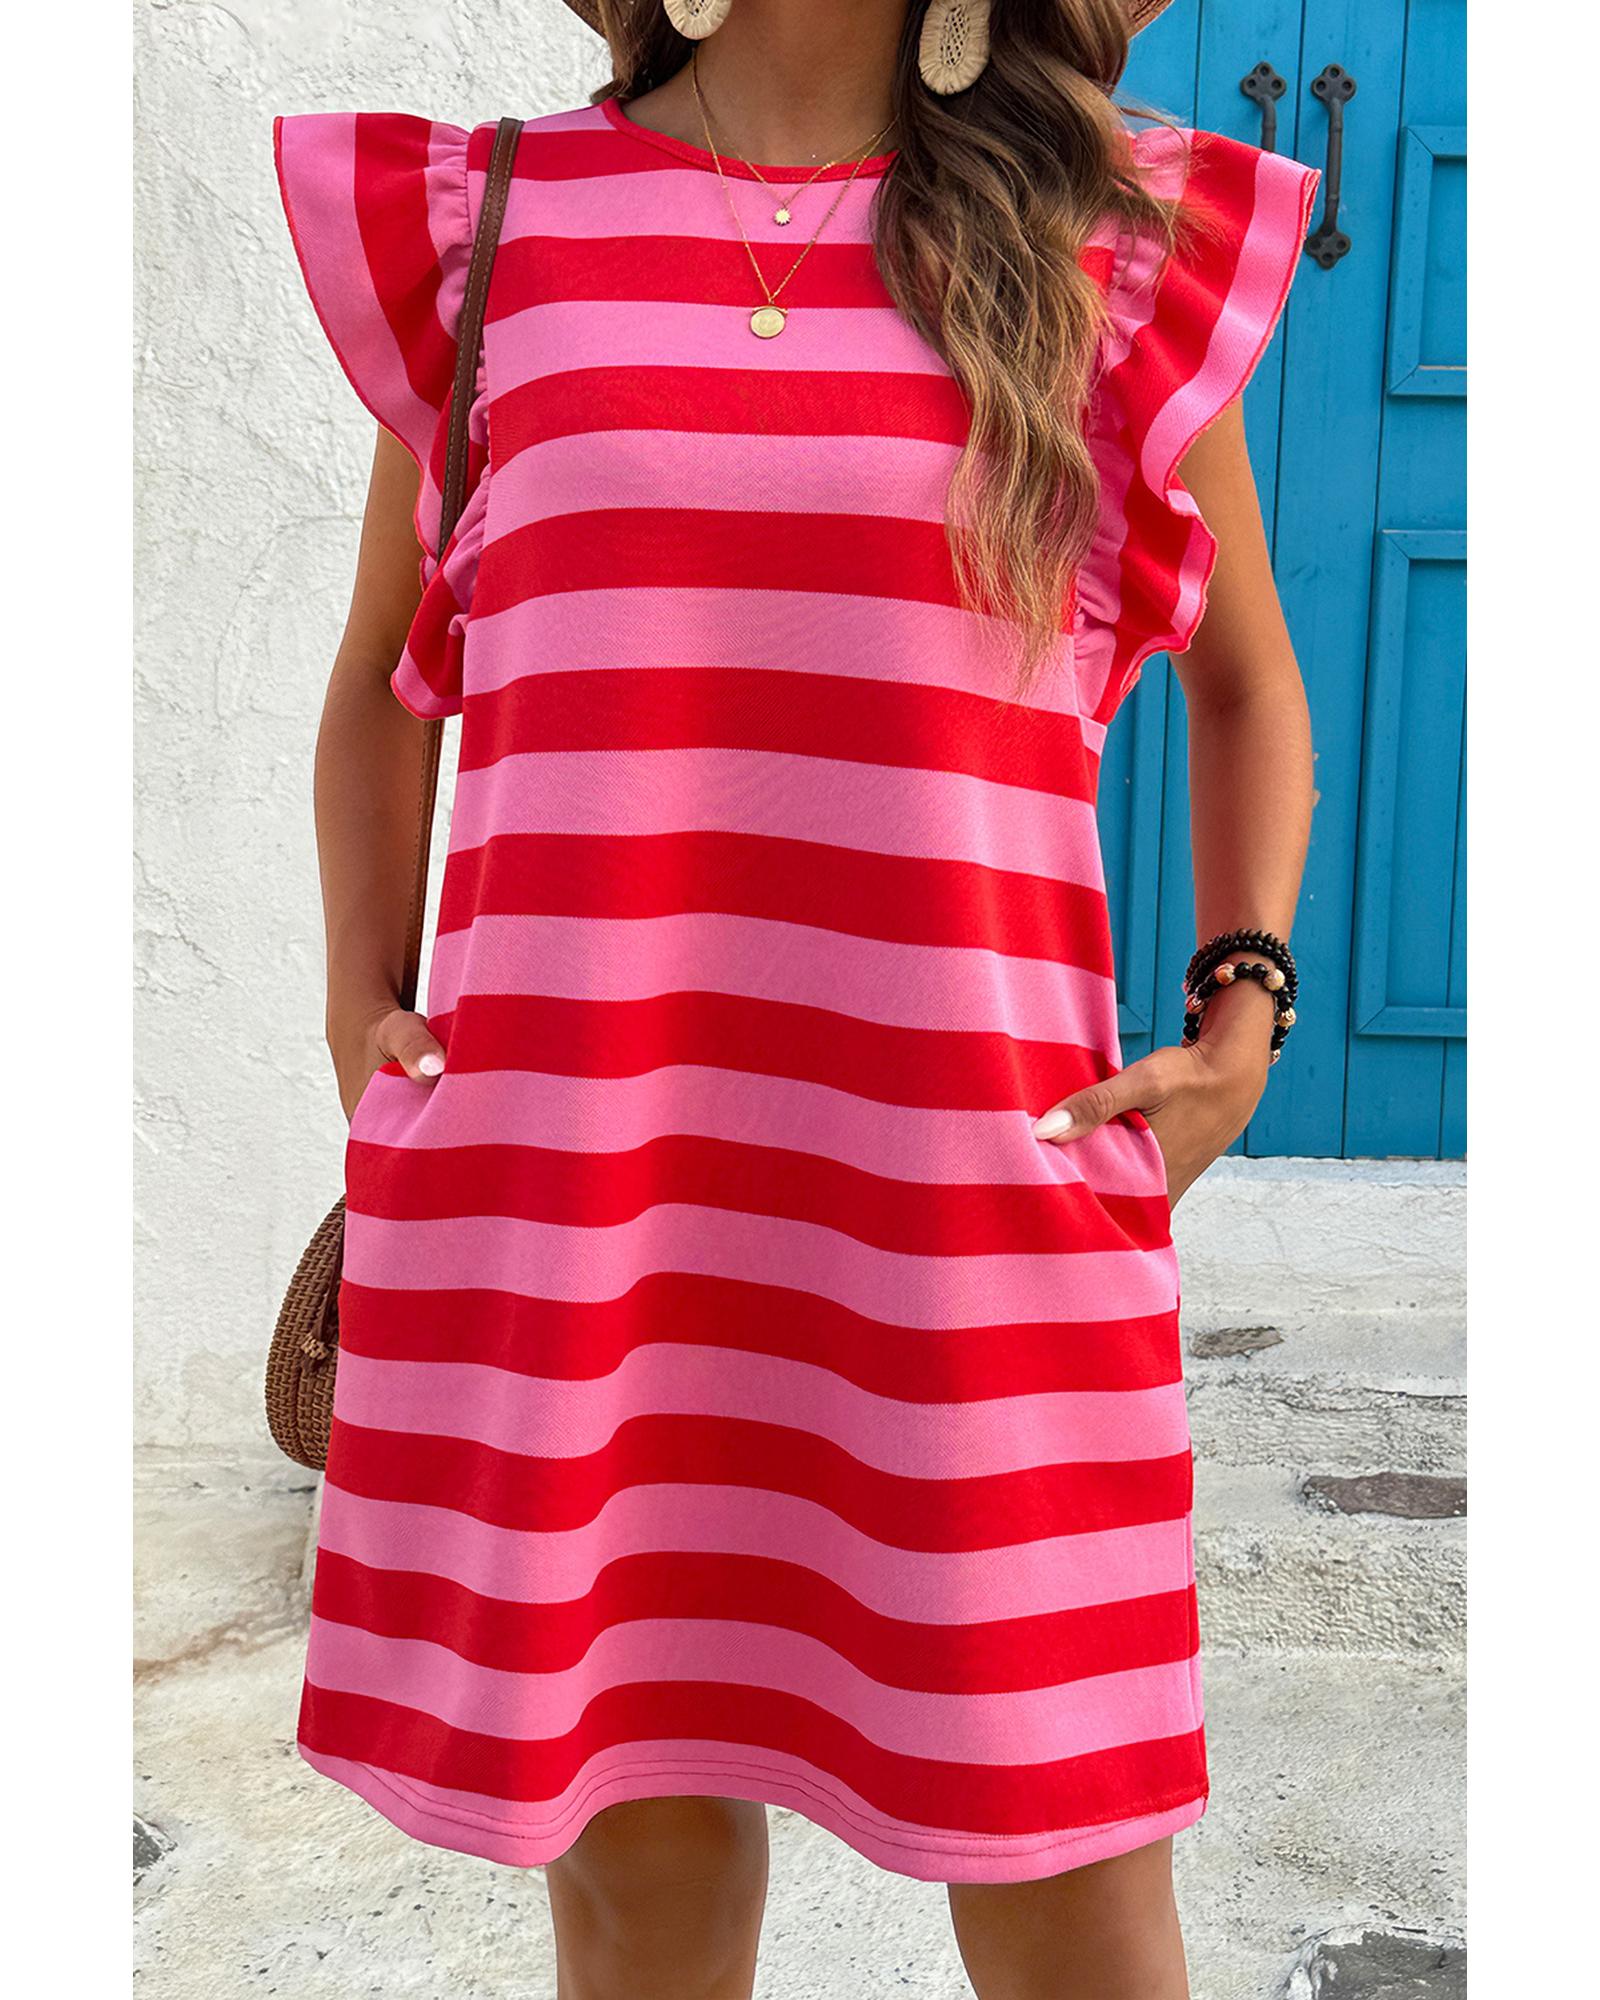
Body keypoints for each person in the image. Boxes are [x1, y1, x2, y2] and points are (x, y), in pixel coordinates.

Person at [272, 1, 1318, 1992]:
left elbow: (1249, 680)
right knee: (633, 1866)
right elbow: (382, 681)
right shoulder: (495, 224)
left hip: (962, 1193)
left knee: (1070, 1860)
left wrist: (1238, 1015)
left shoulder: (1107, 238)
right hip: (580, 1196)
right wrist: (361, 1010)